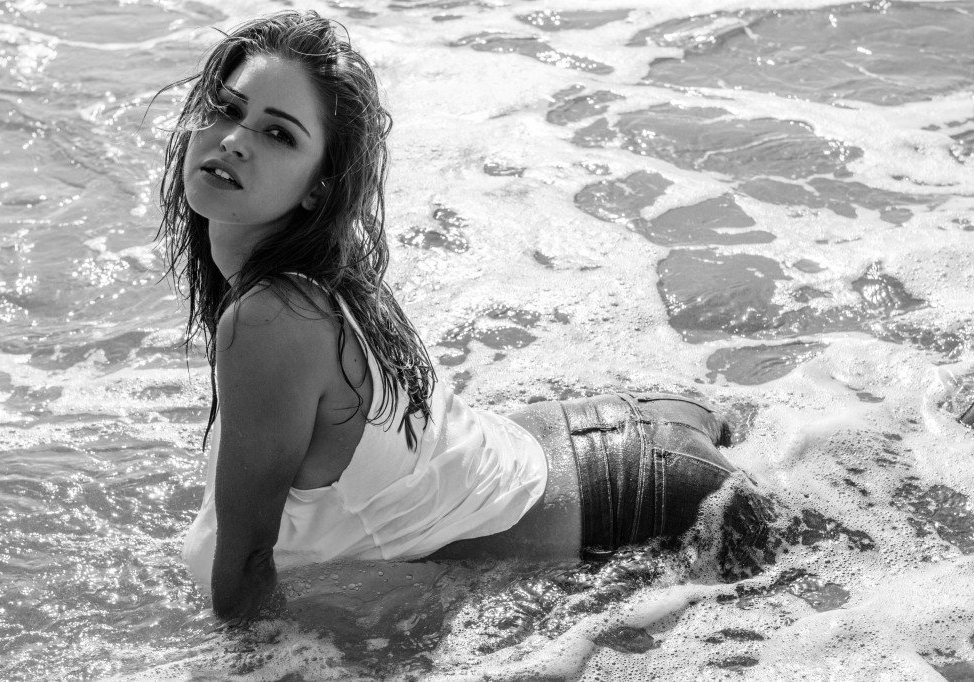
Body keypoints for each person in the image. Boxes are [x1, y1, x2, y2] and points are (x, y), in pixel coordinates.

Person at [157, 10, 760, 622]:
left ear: (320, 187)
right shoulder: (322, 278)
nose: (234, 140)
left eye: (278, 134)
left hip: (644, 503)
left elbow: (246, 566)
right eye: (227, 108)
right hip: (626, 439)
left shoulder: (272, 318)